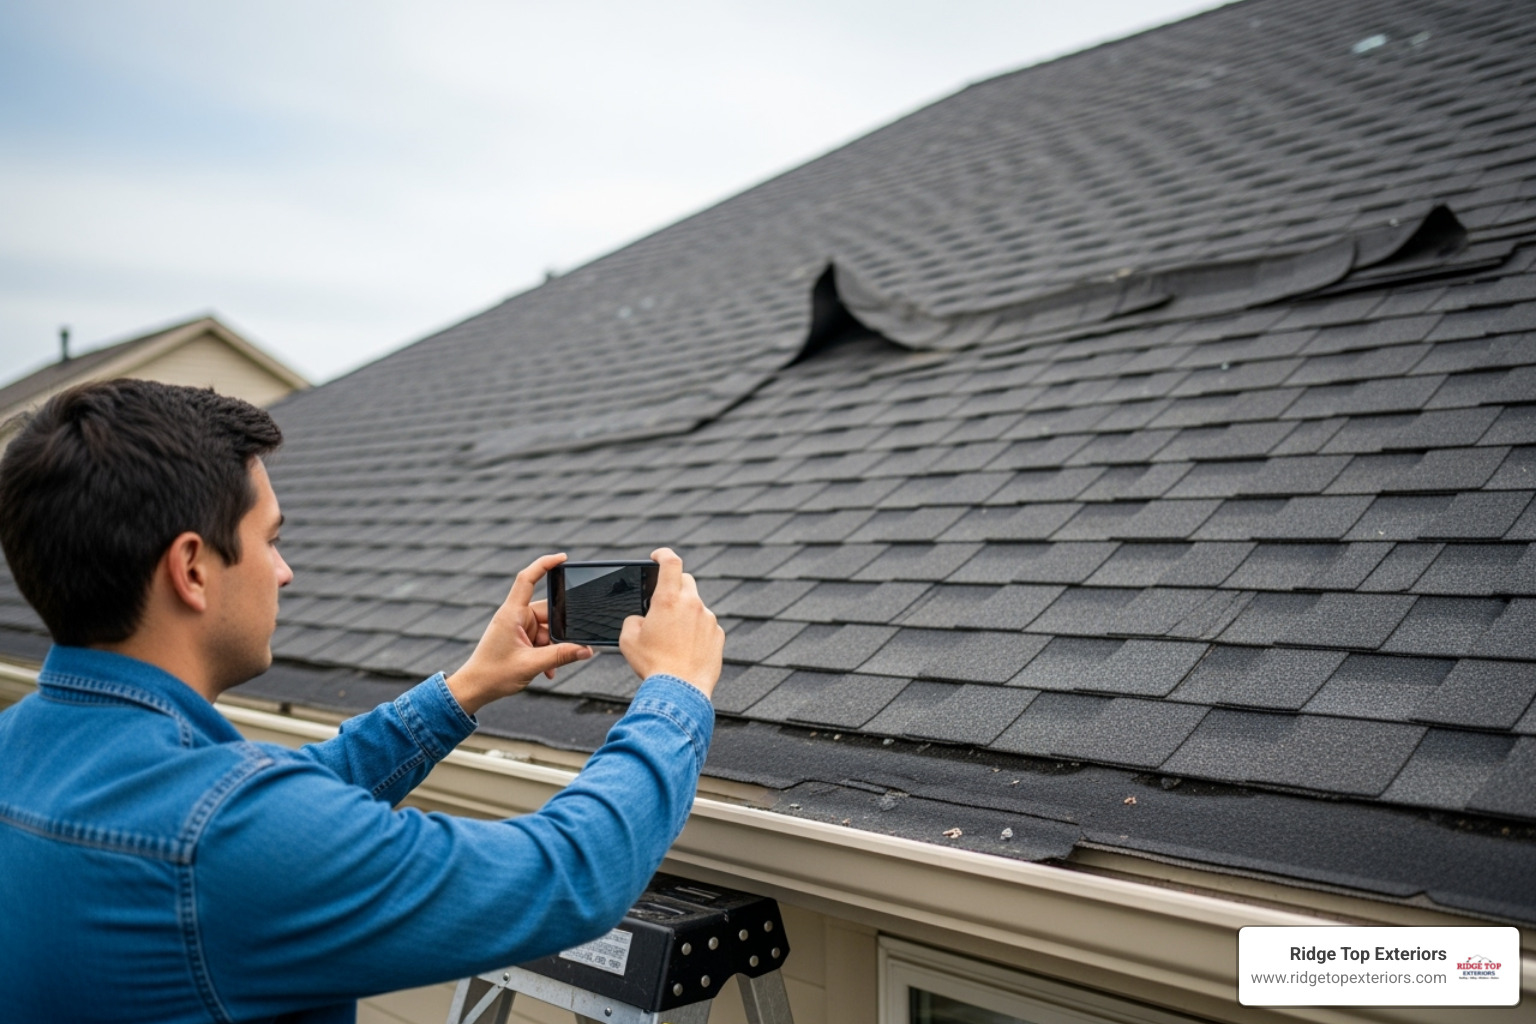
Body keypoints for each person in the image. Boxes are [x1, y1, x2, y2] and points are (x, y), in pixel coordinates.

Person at [0, 378, 725, 1024]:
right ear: (191, 568)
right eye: (270, 540)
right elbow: (564, 875)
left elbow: (278, 802)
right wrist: (676, 691)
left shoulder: (21, 747)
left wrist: (466, 688)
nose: (283, 572)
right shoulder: (222, 843)